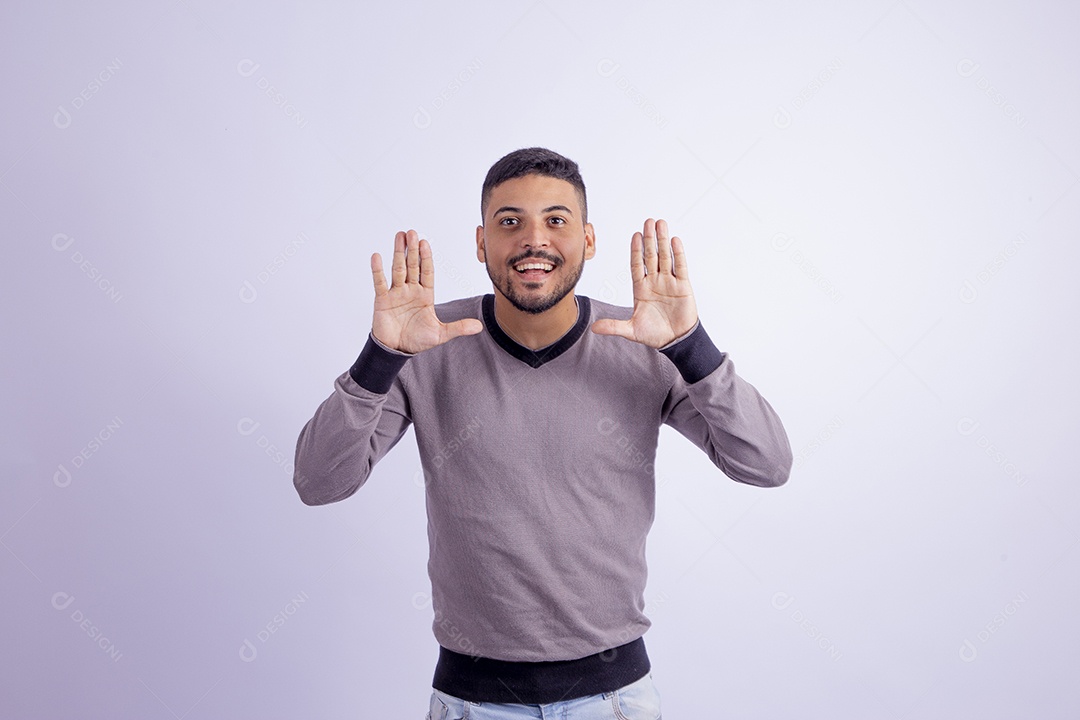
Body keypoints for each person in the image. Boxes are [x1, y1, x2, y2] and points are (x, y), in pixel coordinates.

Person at [293, 147, 792, 719]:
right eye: (511, 222)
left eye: (557, 220)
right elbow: (317, 481)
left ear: (589, 239)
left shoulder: (645, 346)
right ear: (482, 243)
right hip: (472, 701)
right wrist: (380, 358)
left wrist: (691, 348)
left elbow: (766, 464)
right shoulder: (426, 345)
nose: (535, 240)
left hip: (613, 700)